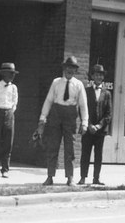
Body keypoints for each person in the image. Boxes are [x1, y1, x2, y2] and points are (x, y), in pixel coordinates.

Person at [38, 55, 88, 186]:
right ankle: (50, 176)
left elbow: (83, 105)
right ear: (64, 68)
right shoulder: (56, 82)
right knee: (52, 146)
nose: (69, 70)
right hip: (56, 115)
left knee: (70, 147)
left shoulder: (78, 85)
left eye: (72, 68)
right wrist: (43, 118)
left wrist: (84, 122)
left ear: (75, 70)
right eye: (67, 67)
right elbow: (48, 100)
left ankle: (70, 177)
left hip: (70, 116)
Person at [78, 63, 113, 186]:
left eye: (101, 75)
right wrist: (88, 125)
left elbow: (108, 113)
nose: (99, 77)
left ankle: (96, 178)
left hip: (100, 130)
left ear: (103, 77)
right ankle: (83, 177)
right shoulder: (86, 91)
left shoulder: (107, 93)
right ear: (92, 76)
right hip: (88, 128)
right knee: (85, 153)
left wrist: (98, 126)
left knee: (98, 155)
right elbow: (82, 109)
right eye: (96, 75)